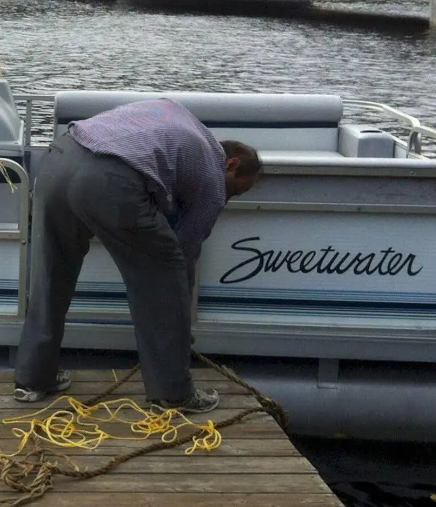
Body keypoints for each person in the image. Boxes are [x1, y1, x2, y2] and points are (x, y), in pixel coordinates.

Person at [14, 97, 261, 411]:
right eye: (237, 190)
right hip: (109, 177)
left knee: (52, 274)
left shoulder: (177, 117)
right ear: (232, 164)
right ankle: (172, 393)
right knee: (165, 276)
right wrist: (179, 323)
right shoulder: (213, 175)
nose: (229, 198)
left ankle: (33, 379)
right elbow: (183, 254)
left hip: (58, 160)